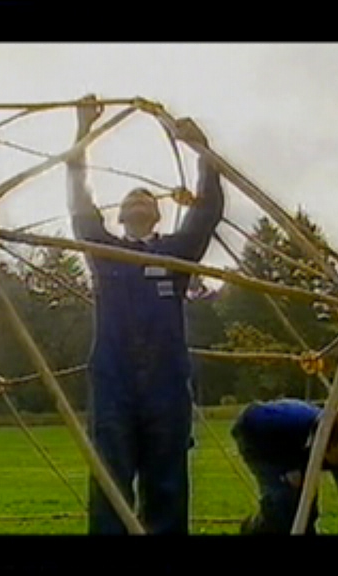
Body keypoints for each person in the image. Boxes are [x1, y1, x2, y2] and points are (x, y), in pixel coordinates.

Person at [66, 95, 225, 534]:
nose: (139, 198)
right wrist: (83, 130)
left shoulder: (175, 252)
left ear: (158, 213)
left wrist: (203, 152)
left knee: (167, 483)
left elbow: (207, 212)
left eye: (147, 197)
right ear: (118, 216)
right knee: (110, 481)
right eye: (131, 197)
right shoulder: (103, 251)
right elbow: (79, 202)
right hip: (113, 377)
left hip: (166, 380)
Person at [231, 399, 338, 534]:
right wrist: (291, 469)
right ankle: (253, 529)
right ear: (328, 445)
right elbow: (249, 423)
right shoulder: (289, 424)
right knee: (283, 500)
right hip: (260, 438)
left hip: (300, 444)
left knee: (307, 506)